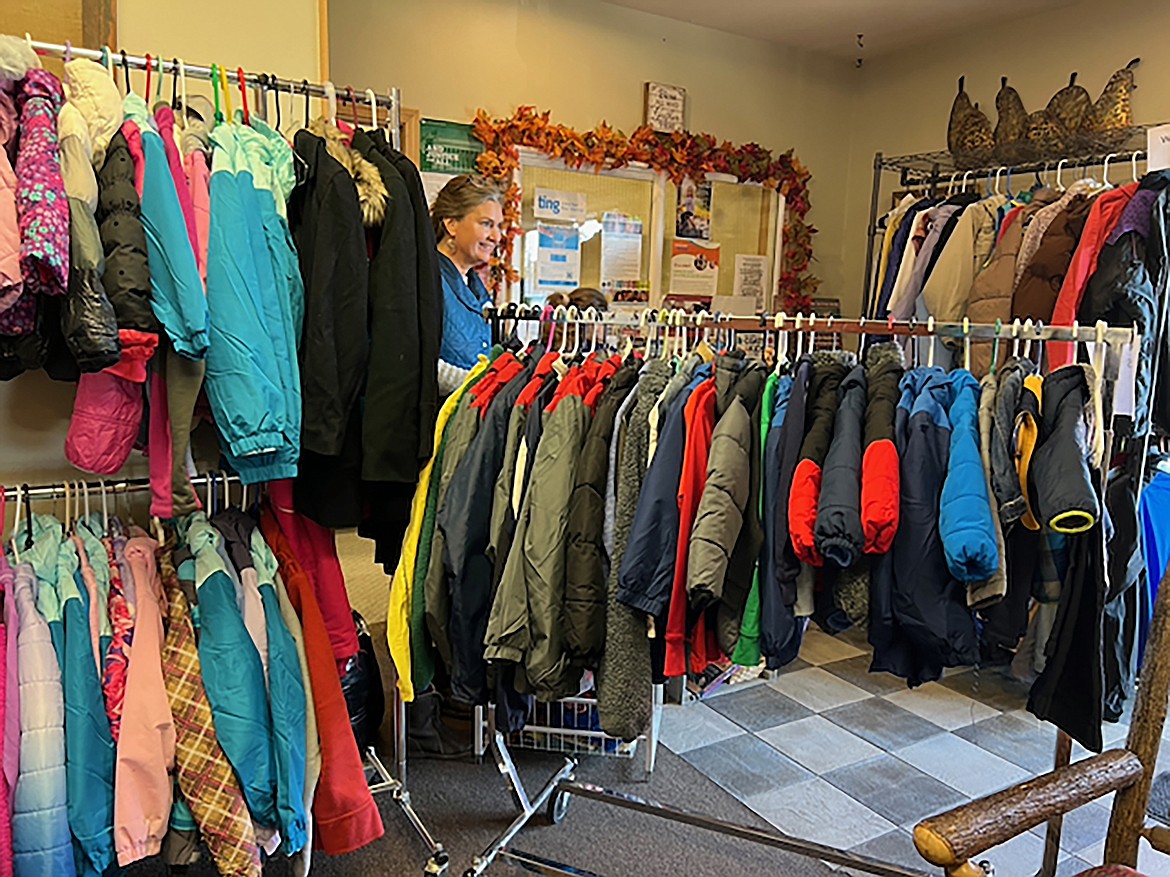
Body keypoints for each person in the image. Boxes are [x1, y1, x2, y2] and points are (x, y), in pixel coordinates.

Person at [430, 174, 506, 395]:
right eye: (486, 224)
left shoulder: (476, 287)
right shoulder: (425, 279)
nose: (496, 236)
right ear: (452, 224)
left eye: (498, 227)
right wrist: (478, 386)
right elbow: (414, 362)